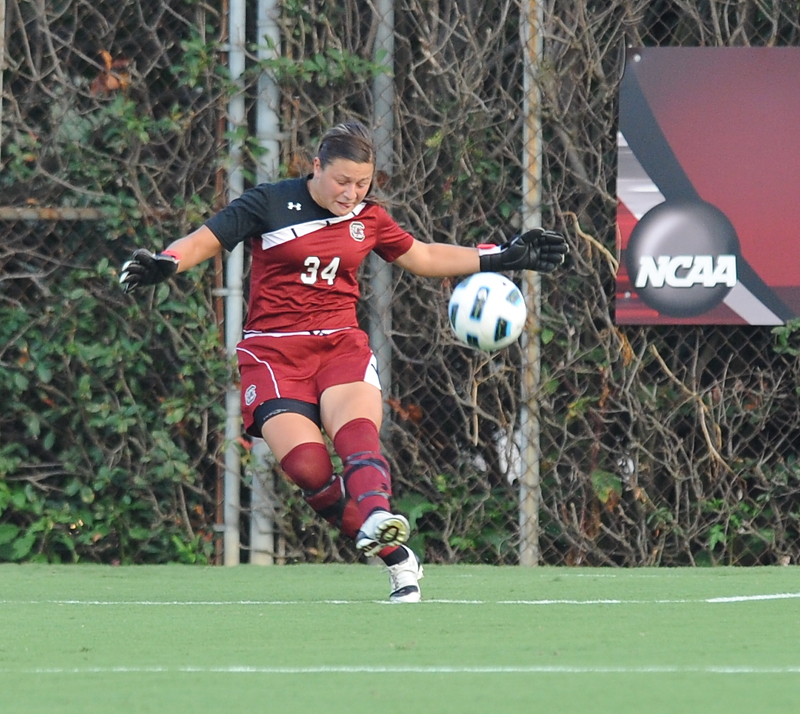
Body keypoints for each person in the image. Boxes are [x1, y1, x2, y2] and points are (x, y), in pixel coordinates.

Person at [119, 120, 568, 603]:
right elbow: (206, 240)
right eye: (342, 181)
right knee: (310, 469)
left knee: (356, 433)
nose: (352, 193)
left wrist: (500, 257)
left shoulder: (369, 219)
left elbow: (423, 256)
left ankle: (378, 517)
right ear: (316, 167)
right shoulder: (268, 203)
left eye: (362, 183)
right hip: (272, 354)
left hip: (339, 345)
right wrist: (167, 261)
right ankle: (397, 558)